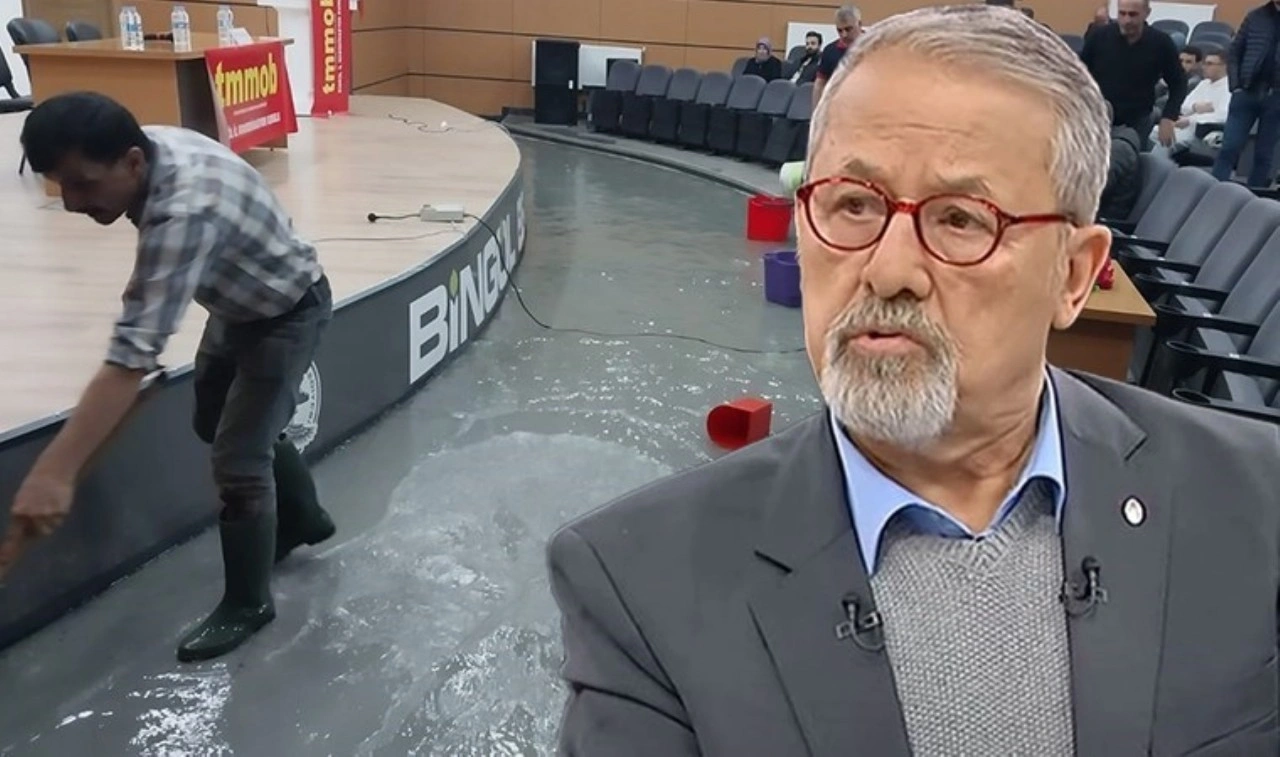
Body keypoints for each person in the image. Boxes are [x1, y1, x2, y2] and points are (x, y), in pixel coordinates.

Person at [547, 6, 1280, 756]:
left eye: (961, 219)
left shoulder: (1257, 502)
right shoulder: (641, 586)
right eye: (853, 204)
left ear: (1073, 275)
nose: (888, 269)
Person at [0, 92, 336, 663]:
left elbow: (132, 357)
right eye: (60, 187)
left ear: (132, 162)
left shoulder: (182, 212)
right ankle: (304, 515)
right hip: (236, 302)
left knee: (239, 459)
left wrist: (54, 472)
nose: (73, 203)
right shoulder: (148, 144)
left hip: (286, 312)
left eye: (83, 184)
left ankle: (248, 602)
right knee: (213, 421)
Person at [1081, 0, 1186, 150]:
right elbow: (1079, 74)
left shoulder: (1161, 43)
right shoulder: (1099, 36)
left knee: (1128, 159)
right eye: (1122, 13)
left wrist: (1169, 117)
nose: (1126, 20)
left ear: (1147, 13)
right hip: (1098, 116)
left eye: (1133, 14)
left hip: (1138, 120)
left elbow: (1178, 83)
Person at [1212, 0, 1280, 187]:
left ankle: (1255, 194)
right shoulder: (1255, 16)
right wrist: (1236, 86)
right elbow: (1234, 52)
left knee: (1264, 154)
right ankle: (1214, 192)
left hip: (1276, 96)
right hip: (1247, 92)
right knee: (1229, 147)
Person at [1153, 47, 1231, 159]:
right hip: (1184, 125)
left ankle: (1157, 168)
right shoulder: (1204, 84)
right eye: (1204, 63)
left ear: (1224, 66)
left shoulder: (1229, 88)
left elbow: (1223, 116)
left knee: (1165, 140)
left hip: (1201, 132)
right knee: (1152, 132)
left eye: (1210, 64)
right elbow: (1183, 106)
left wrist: (1190, 120)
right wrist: (1195, 107)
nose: (1204, 67)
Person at [814, 5, 862, 105]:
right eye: (839, 30)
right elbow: (820, 84)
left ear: (859, 24)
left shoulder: (875, 47)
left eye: (848, 29)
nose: (844, 35)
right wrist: (816, 112)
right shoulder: (829, 51)